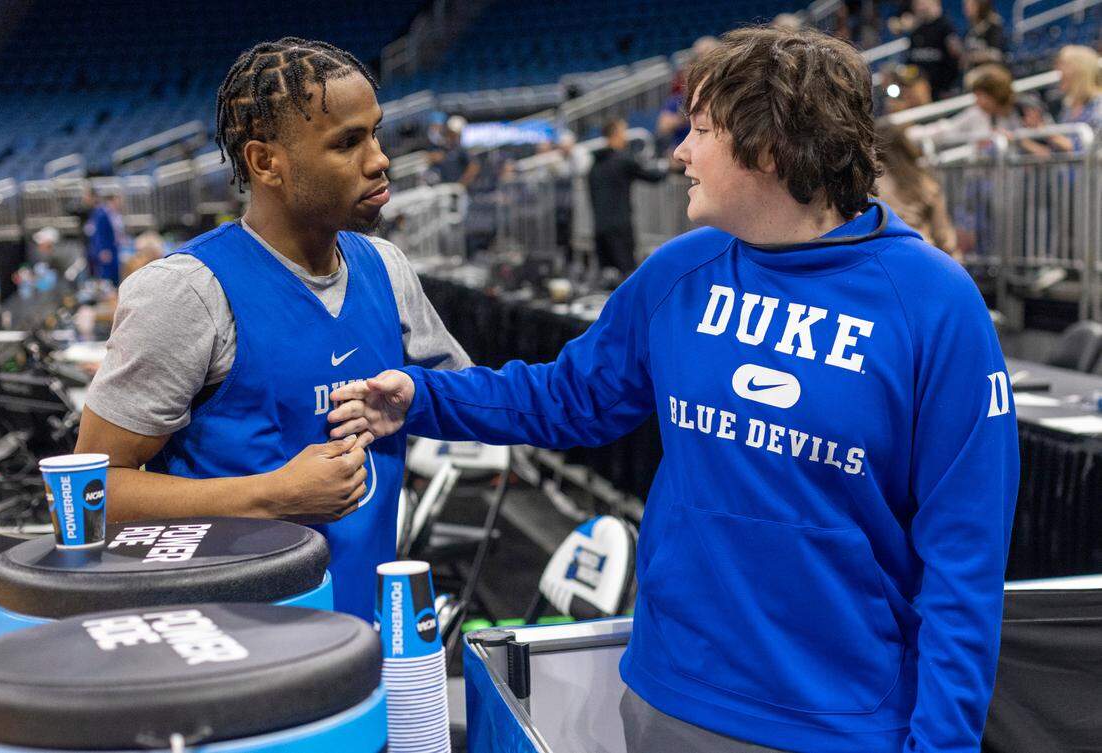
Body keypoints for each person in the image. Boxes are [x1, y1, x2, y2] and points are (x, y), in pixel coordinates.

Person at [333, 26, 1018, 753]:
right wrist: (426, 397)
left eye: (700, 131)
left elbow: (965, 561)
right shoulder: (681, 271)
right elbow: (569, 398)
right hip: (670, 699)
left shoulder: (934, 303)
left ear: (768, 148)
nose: (679, 153)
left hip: (841, 721)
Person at [74, 37, 469, 620]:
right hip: (231, 656)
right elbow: (90, 498)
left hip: (363, 640)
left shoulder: (387, 267)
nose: (379, 159)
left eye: (376, 133)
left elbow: (468, 400)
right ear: (265, 163)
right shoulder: (187, 290)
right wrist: (272, 495)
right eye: (348, 142)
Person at [587, 118, 667, 277]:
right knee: (628, 273)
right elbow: (653, 176)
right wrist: (670, 166)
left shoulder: (594, 164)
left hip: (599, 227)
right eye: (623, 131)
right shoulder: (622, 160)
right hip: (620, 227)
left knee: (606, 276)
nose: (626, 136)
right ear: (615, 134)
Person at [874, 124, 957, 255]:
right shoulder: (924, 181)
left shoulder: (869, 181)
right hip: (922, 249)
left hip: (883, 252)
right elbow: (945, 237)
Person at [905, 0, 963, 99]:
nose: (919, 6)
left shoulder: (946, 27)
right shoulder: (916, 31)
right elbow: (910, 61)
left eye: (922, 2)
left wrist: (951, 87)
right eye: (917, 3)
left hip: (944, 90)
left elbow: (958, 58)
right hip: (921, 92)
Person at [1049, 45, 1102, 152]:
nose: (1058, 71)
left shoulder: (1098, 105)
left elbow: (1094, 150)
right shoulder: (1068, 106)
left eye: (1064, 64)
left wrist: (1054, 137)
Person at [87, 192, 126, 285]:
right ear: (111, 200)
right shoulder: (102, 214)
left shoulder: (115, 214)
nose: (120, 203)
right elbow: (98, 234)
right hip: (106, 249)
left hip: (114, 247)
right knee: (106, 276)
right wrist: (102, 250)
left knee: (115, 274)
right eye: (118, 201)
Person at [962, 0, 1006, 68]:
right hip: (975, 72)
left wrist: (975, 56)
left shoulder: (993, 25)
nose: (966, 8)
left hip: (995, 69)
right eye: (965, 5)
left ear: (980, 5)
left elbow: (997, 54)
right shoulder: (969, 31)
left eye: (971, 5)